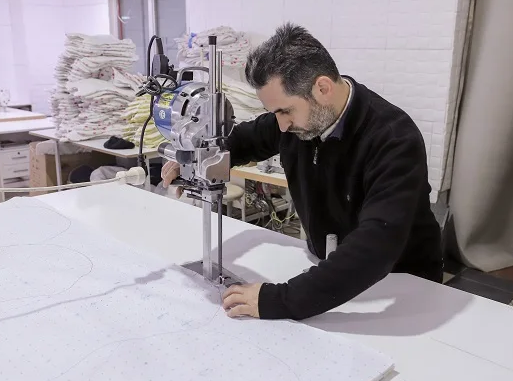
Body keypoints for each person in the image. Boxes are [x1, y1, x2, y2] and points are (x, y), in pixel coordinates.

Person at [162, 23, 443, 321]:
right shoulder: (295, 121)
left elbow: (376, 246)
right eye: (274, 113)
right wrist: (196, 160)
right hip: (331, 275)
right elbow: (244, 140)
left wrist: (279, 300)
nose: (282, 126)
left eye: (285, 111)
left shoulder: (394, 138)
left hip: (402, 286)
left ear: (322, 88)